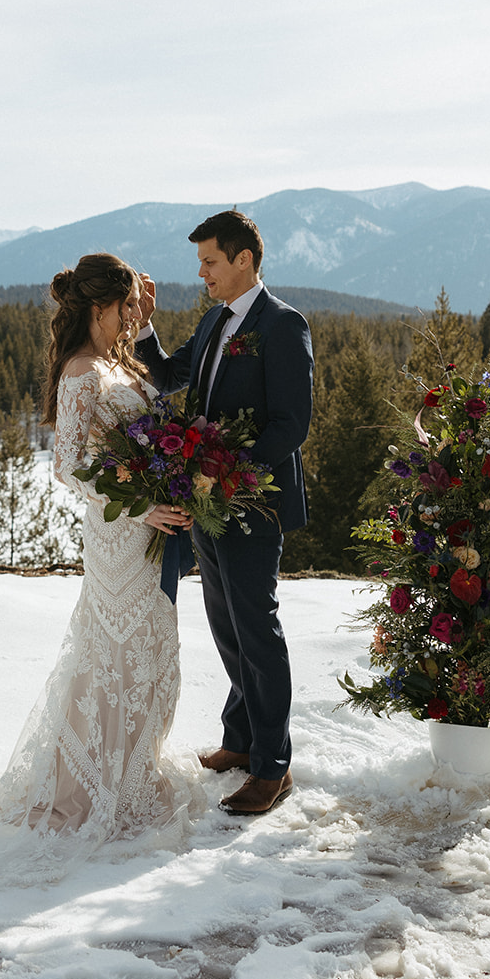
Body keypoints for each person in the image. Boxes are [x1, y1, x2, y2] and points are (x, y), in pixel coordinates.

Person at [0, 252, 197, 843]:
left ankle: (133, 773)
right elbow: (68, 468)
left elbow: (158, 412)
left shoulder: (118, 362)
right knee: (114, 656)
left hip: (150, 532)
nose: (134, 313)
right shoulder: (81, 371)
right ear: (100, 307)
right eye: (127, 305)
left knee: (152, 655)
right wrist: (142, 505)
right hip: (118, 533)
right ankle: (92, 786)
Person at [137, 210, 314, 817]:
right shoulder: (215, 320)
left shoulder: (284, 326)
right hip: (208, 503)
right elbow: (167, 377)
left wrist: (225, 469)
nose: (203, 273)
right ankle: (240, 741)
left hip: (254, 502)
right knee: (225, 622)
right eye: (200, 263)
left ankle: (273, 766)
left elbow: (292, 424)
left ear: (243, 260)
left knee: (256, 628)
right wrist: (143, 329)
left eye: (210, 261)